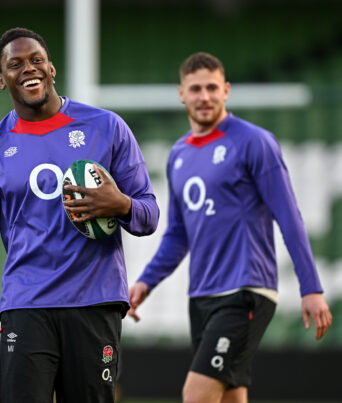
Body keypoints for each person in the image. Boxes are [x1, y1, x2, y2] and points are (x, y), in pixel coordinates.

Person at [0, 27, 159, 403]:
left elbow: (149, 214)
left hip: (94, 304)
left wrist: (121, 204)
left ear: (51, 68)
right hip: (26, 307)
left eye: (36, 60)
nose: (27, 69)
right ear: (2, 80)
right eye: (15, 64)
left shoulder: (107, 127)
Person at [128, 52, 333, 403]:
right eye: (195, 89)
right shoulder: (179, 154)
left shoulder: (254, 142)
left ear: (226, 90)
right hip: (202, 296)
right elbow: (178, 234)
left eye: (211, 87)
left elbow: (289, 216)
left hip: (245, 292)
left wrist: (311, 288)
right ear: (182, 93)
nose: (204, 96)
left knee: (196, 395)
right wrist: (146, 281)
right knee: (229, 397)